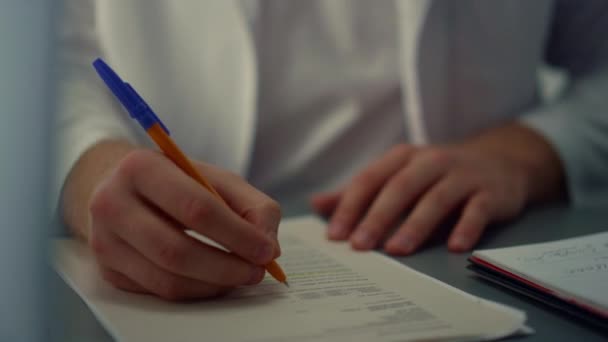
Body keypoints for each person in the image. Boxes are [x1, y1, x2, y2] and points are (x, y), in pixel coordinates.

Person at [55, 1, 608, 300]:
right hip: (162, 273)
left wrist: (531, 152)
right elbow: (41, 65)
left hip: (481, 250)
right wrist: (89, 167)